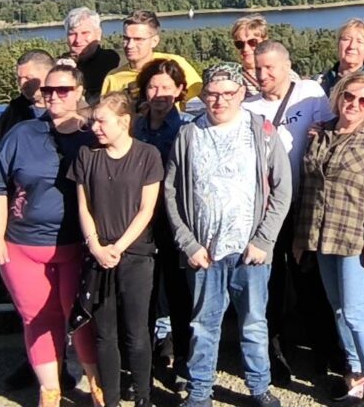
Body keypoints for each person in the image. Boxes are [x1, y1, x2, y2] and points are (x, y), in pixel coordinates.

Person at [164, 63, 292, 407]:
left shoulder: (262, 131)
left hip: (250, 252)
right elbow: (171, 192)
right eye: (211, 94)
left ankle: (259, 387)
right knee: (203, 326)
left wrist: (264, 240)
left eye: (227, 93)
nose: (219, 101)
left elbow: (282, 189)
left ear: (241, 94)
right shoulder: (189, 134)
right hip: (204, 252)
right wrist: (188, 243)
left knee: (254, 323)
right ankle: (200, 392)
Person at [0, 61, 102, 407]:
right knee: (38, 317)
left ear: (79, 92)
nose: (54, 96)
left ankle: (97, 386)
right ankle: (50, 391)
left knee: (80, 317)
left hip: (77, 246)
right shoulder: (22, 135)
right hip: (23, 246)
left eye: (63, 90)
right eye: (48, 90)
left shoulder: (93, 135)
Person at [293, 72, 364, 407]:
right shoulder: (321, 132)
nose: (354, 104)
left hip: (354, 235)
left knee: (355, 310)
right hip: (322, 233)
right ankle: (356, 374)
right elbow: (309, 186)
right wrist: (301, 237)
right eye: (349, 96)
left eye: (363, 101)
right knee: (338, 309)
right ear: (338, 97)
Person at [244, 40, 334, 380]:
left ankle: (323, 353)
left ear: (286, 66)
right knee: (271, 284)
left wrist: (319, 132)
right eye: (258, 68)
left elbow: (330, 134)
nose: (262, 74)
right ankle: (275, 353)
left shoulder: (310, 94)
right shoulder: (249, 107)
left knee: (310, 282)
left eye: (270, 67)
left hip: (303, 205)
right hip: (267, 211)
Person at [74, 92, 164, 407]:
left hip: (136, 254)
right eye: (93, 121)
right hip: (97, 254)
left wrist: (118, 247)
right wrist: (96, 246)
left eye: (102, 121)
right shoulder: (86, 155)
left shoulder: (148, 155)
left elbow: (146, 209)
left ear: (124, 121)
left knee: (137, 331)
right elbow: (84, 206)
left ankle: (143, 396)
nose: (94, 127)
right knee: (105, 333)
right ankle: (109, 399)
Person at [133, 59, 193, 390]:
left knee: (179, 294)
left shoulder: (187, 130)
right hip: (139, 223)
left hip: (174, 223)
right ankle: (143, 365)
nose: (159, 94)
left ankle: (183, 360)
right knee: (143, 295)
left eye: (167, 88)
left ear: (180, 90)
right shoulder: (135, 127)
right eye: (153, 87)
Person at [102, 10, 202, 102]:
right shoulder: (113, 78)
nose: (130, 45)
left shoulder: (174, 64)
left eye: (138, 39)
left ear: (154, 41)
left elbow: (203, 99)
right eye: (126, 39)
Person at [0, 50, 53, 145]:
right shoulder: (14, 110)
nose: (22, 84)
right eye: (19, 78)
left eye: (28, 78)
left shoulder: (65, 112)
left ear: (49, 75)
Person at [64, 7, 121, 101]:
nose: (78, 40)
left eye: (85, 33)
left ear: (98, 34)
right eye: (72, 34)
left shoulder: (113, 62)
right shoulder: (59, 66)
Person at [318, 18, 364, 96]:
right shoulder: (320, 81)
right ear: (338, 45)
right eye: (346, 39)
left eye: (359, 41)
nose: (352, 46)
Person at [232, 14, 269, 94]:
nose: (245, 48)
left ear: (264, 41)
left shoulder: (284, 75)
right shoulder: (231, 79)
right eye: (240, 44)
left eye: (252, 42)